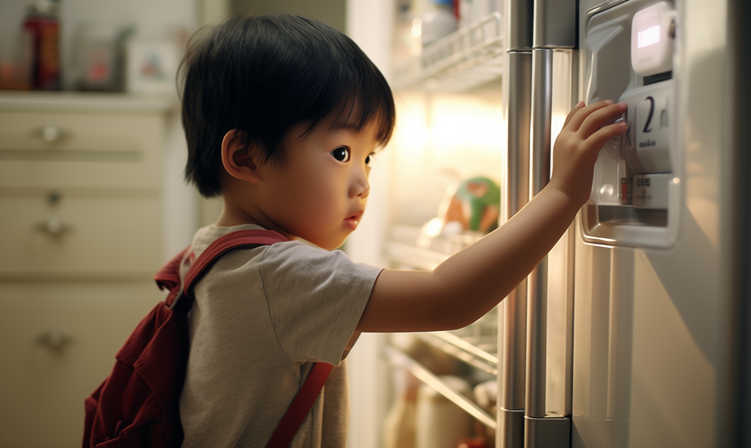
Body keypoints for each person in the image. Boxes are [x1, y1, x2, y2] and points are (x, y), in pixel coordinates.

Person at [177, 13, 627, 448]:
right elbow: (447, 298)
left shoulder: (206, 254)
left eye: (368, 157)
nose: (362, 182)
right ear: (246, 157)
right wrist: (563, 192)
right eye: (341, 153)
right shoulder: (279, 275)